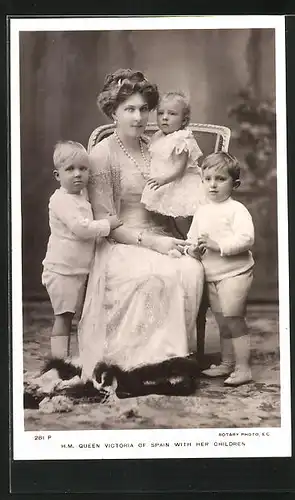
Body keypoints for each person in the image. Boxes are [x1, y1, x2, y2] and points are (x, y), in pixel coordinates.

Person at [75, 69, 204, 397]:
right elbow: (107, 224)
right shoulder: (102, 155)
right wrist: (154, 243)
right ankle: (141, 368)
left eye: (144, 108)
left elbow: (177, 195)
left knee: (190, 268)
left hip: (161, 232)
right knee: (153, 274)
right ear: (113, 111)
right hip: (121, 242)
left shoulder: (158, 145)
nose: (139, 116)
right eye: (130, 109)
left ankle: (175, 362)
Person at [42, 141, 121, 359]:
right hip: (62, 270)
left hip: (81, 268)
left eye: (83, 169)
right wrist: (108, 225)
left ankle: (84, 357)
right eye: (70, 169)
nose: (77, 174)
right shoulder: (60, 200)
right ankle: (59, 361)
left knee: (86, 314)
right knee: (64, 316)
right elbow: (81, 228)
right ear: (57, 175)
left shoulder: (82, 195)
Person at [186, 152, 254, 386]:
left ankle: (243, 368)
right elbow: (190, 238)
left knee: (234, 318)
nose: (212, 185)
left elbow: (246, 239)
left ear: (234, 184)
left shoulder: (236, 209)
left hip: (235, 272)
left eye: (220, 179)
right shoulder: (202, 211)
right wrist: (192, 250)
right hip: (212, 275)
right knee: (223, 322)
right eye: (207, 179)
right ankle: (227, 364)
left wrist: (218, 245)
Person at [141, 91, 204, 239]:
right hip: (165, 182)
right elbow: (155, 155)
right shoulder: (157, 136)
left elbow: (179, 169)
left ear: (183, 121)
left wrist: (163, 180)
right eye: (160, 113)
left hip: (179, 182)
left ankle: (192, 241)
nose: (164, 118)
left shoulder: (181, 139)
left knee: (180, 217)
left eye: (172, 114)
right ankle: (180, 242)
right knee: (167, 220)